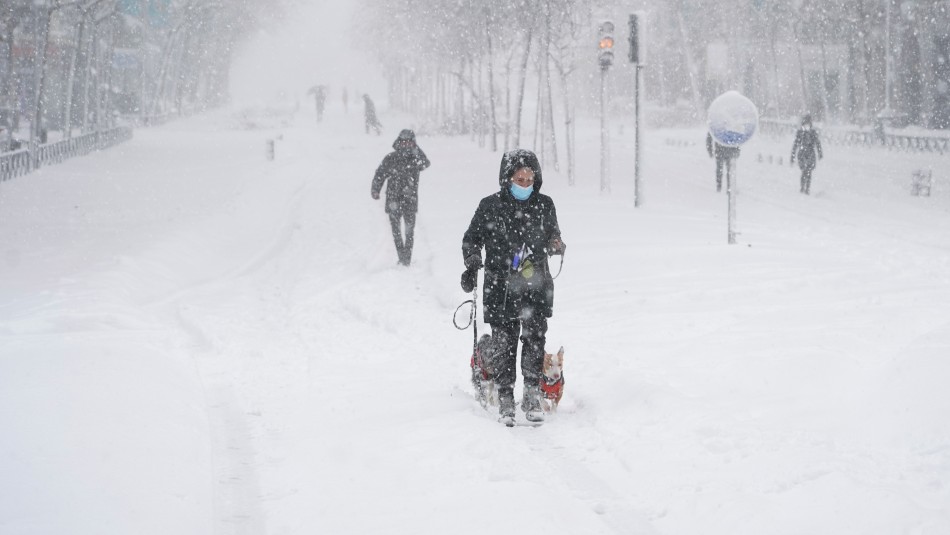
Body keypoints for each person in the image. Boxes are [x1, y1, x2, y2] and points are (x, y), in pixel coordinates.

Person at [460, 149, 565, 425]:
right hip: (501, 287)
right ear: (507, 179)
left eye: (530, 180)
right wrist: (472, 260)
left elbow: (554, 232)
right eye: (519, 180)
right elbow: (471, 238)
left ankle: (531, 394)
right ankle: (506, 398)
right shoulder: (489, 207)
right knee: (504, 344)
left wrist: (555, 243)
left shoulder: (545, 205)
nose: (525, 185)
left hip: (536, 285)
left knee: (534, 340)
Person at [371, 129, 430, 265]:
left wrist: (416, 150)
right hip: (393, 200)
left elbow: (426, 163)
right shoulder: (391, 158)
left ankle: (406, 259)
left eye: (409, 142)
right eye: (403, 142)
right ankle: (401, 256)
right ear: (399, 142)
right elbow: (380, 174)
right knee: (396, 232)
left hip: (410, 200)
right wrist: (375, 190)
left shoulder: (416, 159)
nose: (406, 145)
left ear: (413, 144)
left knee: (409, 232)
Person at [790, 114, 823, 195]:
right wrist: (792, 156)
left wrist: (820, 153)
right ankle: (802, 187)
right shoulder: (800, 133)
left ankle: (807, 188)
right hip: (802, 154)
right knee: (804, 171)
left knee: (809, 171)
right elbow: (795, 144)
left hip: (810, 154)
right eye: (805, 124)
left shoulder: (813, 133)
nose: (807, 126)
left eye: (808, 124)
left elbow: (817, 143)